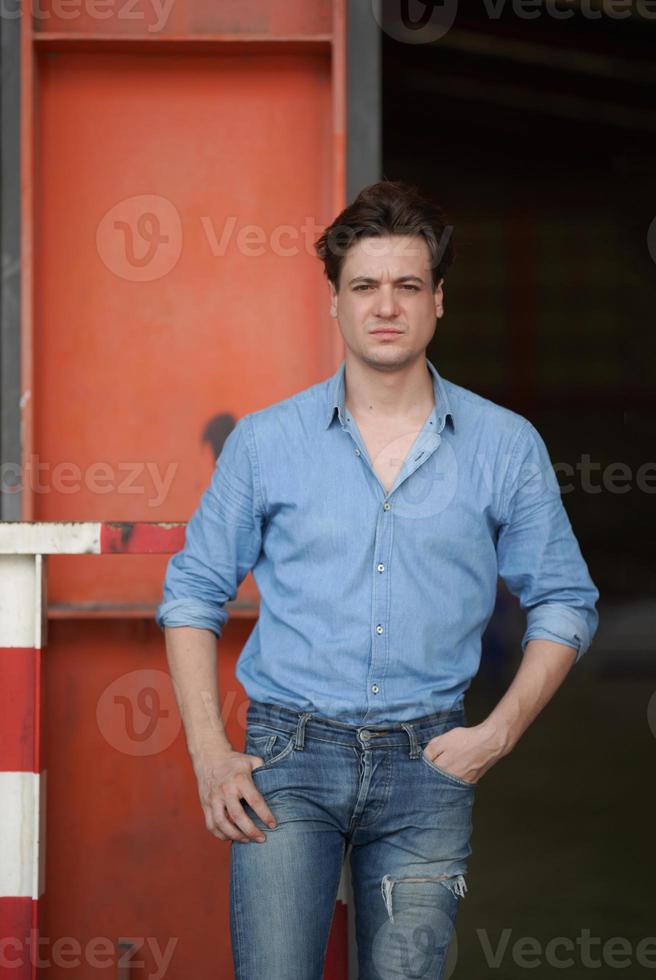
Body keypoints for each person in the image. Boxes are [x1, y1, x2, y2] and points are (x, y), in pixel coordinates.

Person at [155, 180, 599, 980]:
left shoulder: (505, 445)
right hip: (286, 761)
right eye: (363, 285)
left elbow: (565, 600)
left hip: (430, 763)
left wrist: (497, 734)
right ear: (334, 302)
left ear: (437, 301)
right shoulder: (266, 443)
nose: (384, 304)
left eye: (406, 285)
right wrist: (210, 755)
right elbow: (192, 592)